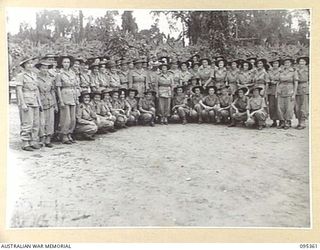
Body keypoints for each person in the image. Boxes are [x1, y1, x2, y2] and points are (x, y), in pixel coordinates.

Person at [16, 57, 42, 151]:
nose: (30, 65)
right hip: (26, 101)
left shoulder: (34, 75)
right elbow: (19, 90)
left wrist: (39, 103)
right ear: (24, 66)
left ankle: (33, 141)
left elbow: (36, 89)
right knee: (27, 122)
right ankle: (25, 142)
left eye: (31, 63)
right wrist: (22, 103)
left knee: (35, 123)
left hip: (34, 101)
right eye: (28, 64)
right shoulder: (21, 75)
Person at [55, 55, 78, 144]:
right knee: (66, 118)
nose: (66, 64)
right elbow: (58, 88)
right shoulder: (59, 74)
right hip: (64, 95)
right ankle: (64, 135)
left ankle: (69, 134)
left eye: (68, 62)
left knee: (73, 119)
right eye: (64, 62)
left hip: (73, 95)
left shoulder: (73, 73)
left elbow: (75, 86)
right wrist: (60, 100)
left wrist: (76, 98)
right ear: (61, 63)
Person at [35, 61, 57, 148]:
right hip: (41, 100)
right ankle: (41, 139)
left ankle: (48, 139)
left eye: (47, 68)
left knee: (50, 121)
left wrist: (55, 103)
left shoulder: (51, 78)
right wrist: (38, 102)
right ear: (39, 68)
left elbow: (53, 91)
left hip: (50, 100)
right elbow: (36, 91)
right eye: (43, 68)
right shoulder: (36, 78)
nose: (45, 70)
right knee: (41, 121)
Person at [277, 56, 298, 129]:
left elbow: (295, 83)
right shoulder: (281, 71)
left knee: (289, 107)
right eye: (285, 62)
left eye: (288, 62)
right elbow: (278, 82)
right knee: (280, 107)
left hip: (290, 89)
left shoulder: (294, 71)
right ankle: (281, 121)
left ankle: (288, 122)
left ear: (291, 63)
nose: (286, 64)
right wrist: (277, 91)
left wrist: (294, 94)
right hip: (281, 90)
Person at [295, 56, 309, 129]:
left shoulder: (308, 70)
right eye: (300, 61)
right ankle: (299, 121)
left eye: (303, 61)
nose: (301, 63)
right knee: (297, 106)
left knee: (304, 106)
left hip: (304, 87)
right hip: (297, 88)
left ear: (306, 62)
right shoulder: (296, 70)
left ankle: (303, 122)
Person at [267, 58, 281, 127]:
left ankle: (281, 120)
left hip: (279, 89)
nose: (275, 65)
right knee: (271, 106)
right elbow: (267, 79)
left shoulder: (281, 71)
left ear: (279, 64)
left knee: (279, 106)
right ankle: (274, 121)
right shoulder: (269, 71)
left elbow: (282, 79)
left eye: (276, 63)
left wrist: (277, 81)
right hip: (271, 89)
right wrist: (270, 81)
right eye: (274, 63)